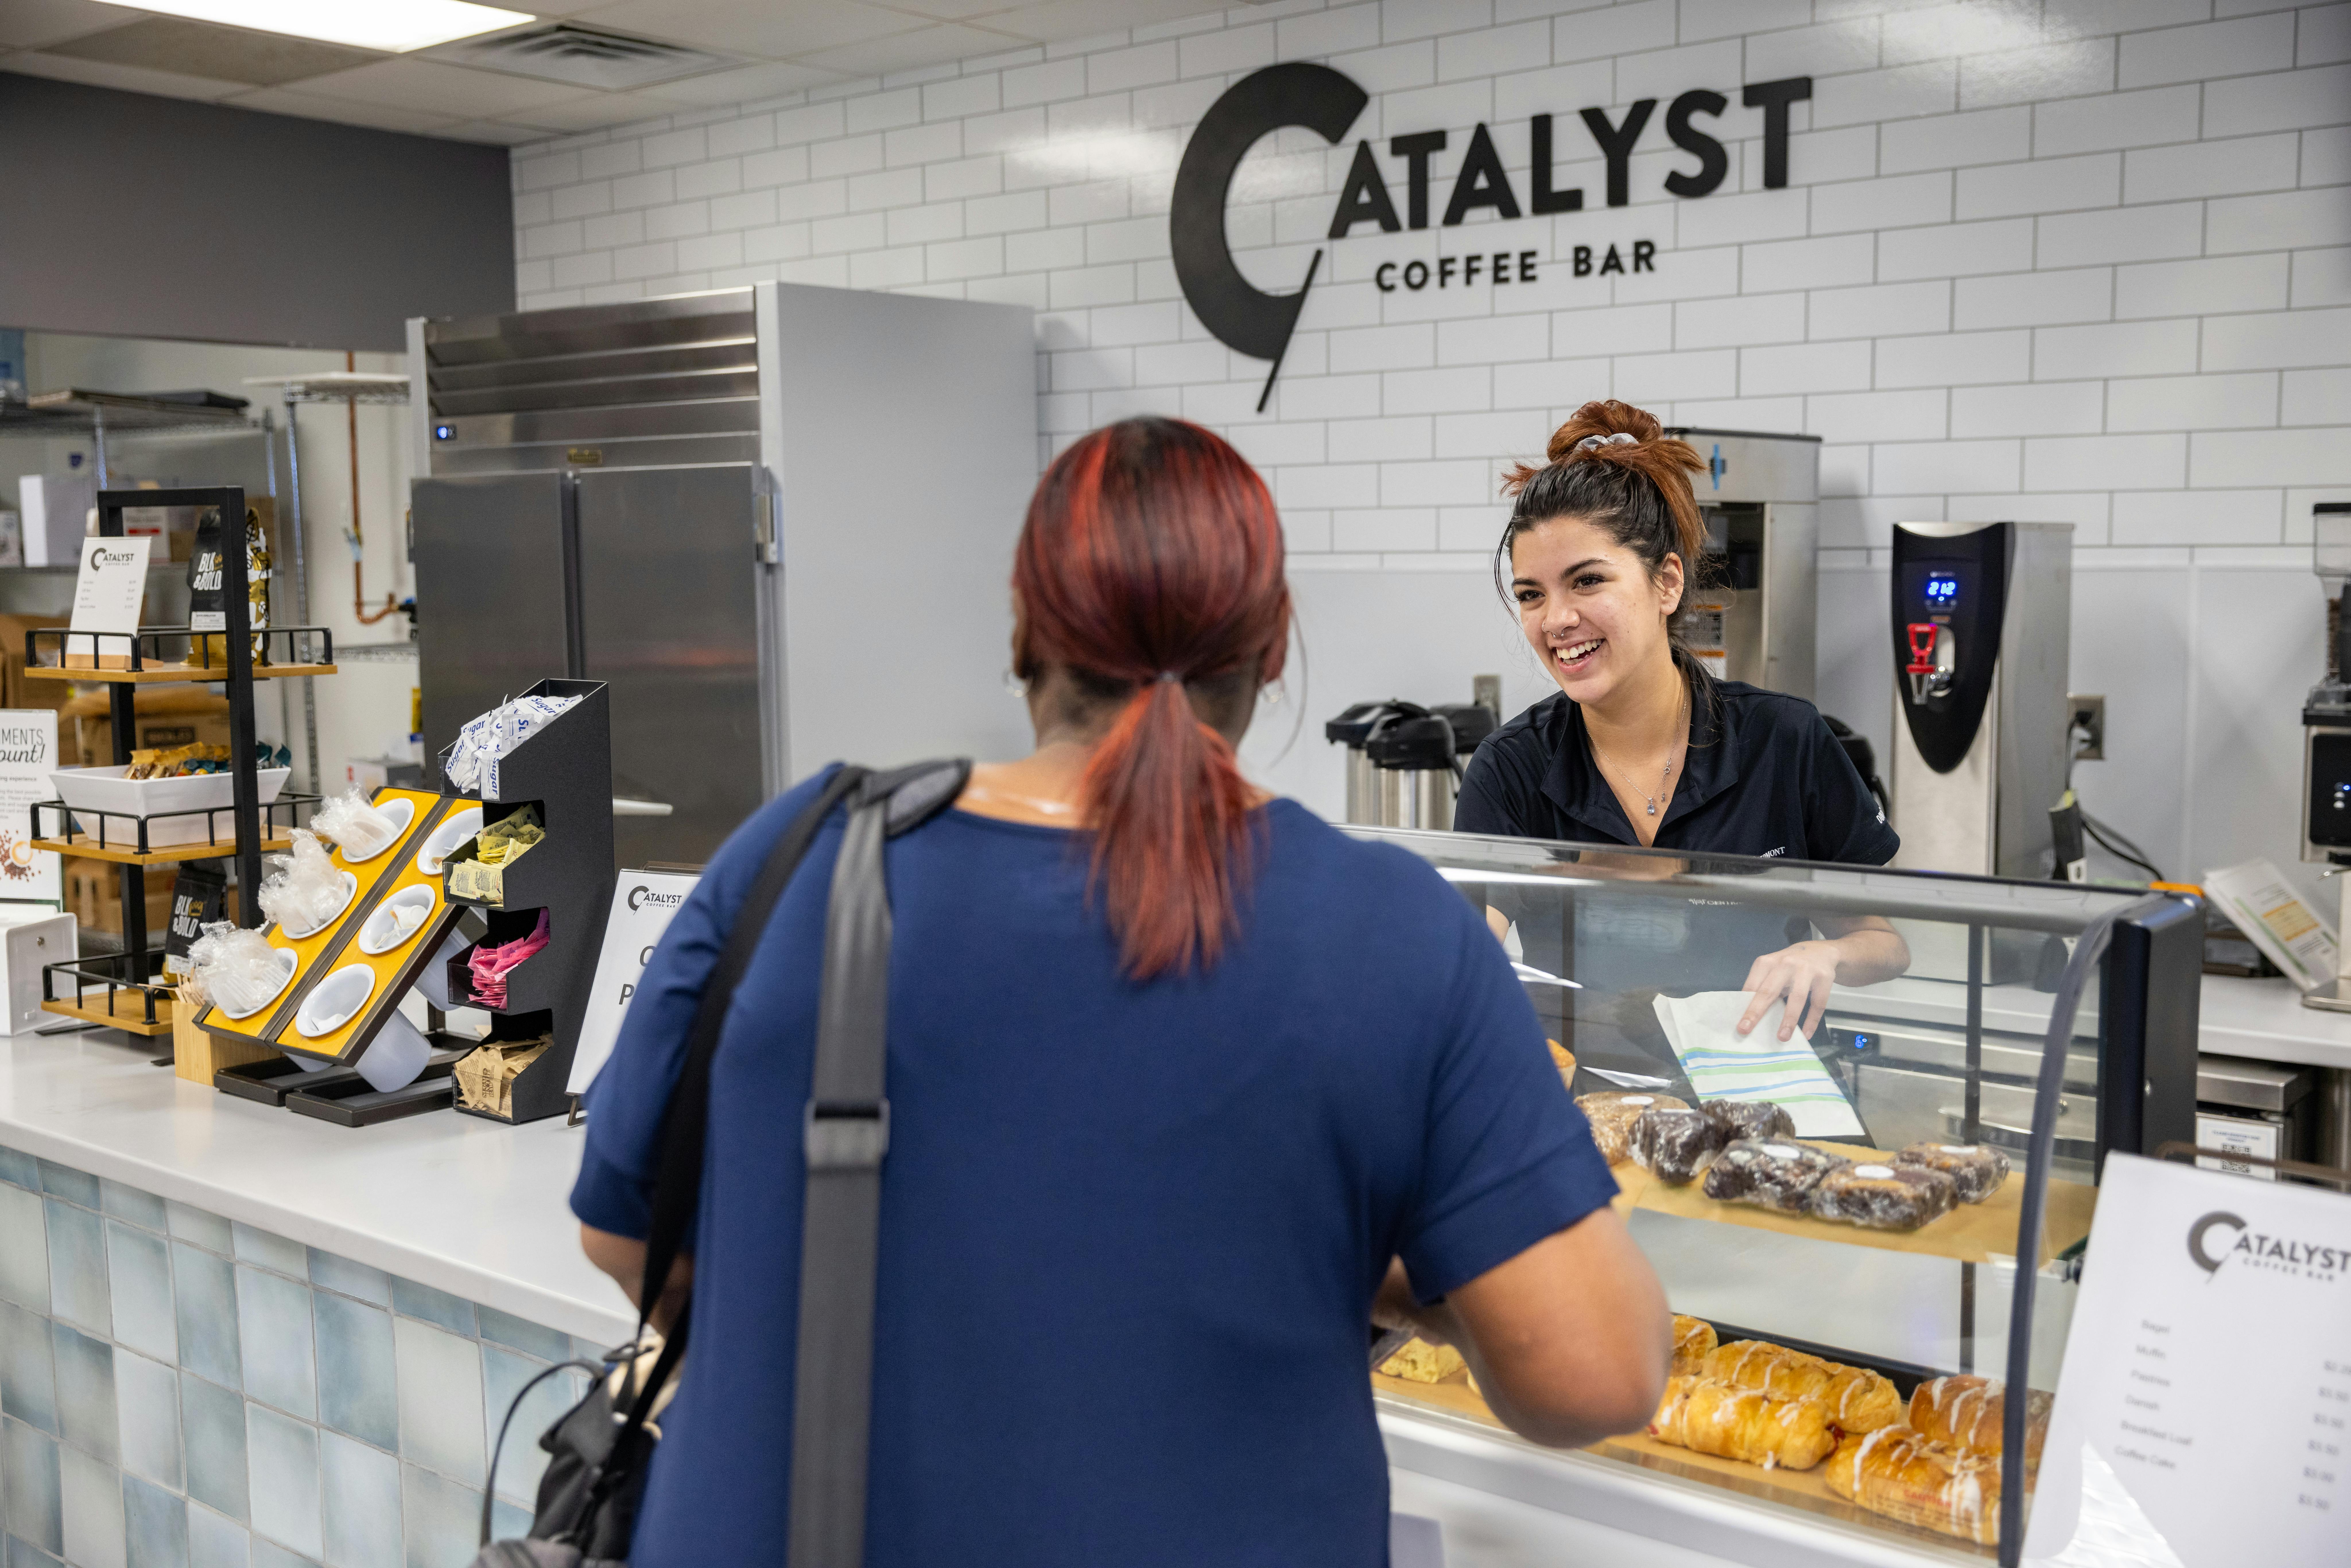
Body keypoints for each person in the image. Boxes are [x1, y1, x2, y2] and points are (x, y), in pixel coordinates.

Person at [573, 417, 1669, 1567]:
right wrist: (1384, 1264)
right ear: (1274, 649)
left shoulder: (792, 858)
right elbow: (1593, 1372)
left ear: (1021, 634)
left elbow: (627, 1235)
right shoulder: (1392, 929)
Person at [1456, 400, 1907, 1045]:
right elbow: (1465, 962)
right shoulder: (1511, 768)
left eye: (1586, 581)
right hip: (1591, 1107)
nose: (1555, 619)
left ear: (1666, 583)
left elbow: (1883, 943)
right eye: (1531, 593)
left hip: (1761, 1099)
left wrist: (1826, 955)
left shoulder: (1785, 741)